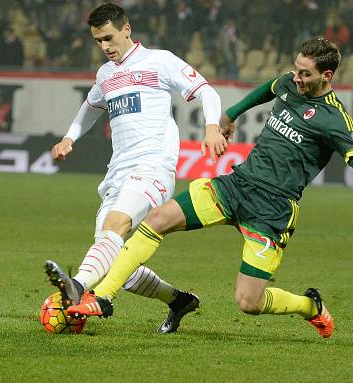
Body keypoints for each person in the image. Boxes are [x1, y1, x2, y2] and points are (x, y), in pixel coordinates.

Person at [66, 37, 353, 339]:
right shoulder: (288, 83)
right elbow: (264, 90)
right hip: (237, 186)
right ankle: (104, 297)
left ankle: (309, 305)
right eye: (296, 69)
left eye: (305, 73)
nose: (296, 78)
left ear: (326, 75)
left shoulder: (335, 119)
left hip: (273, 211)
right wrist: (229, 117)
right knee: (157, 218)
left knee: (248, 302)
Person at [44, 2, 227, 334]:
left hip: (153, 165)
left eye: (110, 38)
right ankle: (178, 300)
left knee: (115, 226)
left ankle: (77, 285)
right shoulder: (105, 75)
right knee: (115, 262)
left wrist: (212, 127)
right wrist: (69, 138)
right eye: (99, 41)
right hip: (117, 172)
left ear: (126, 29)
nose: (105, 47)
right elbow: (89, 108)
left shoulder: (160, 60)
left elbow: (206, 91)